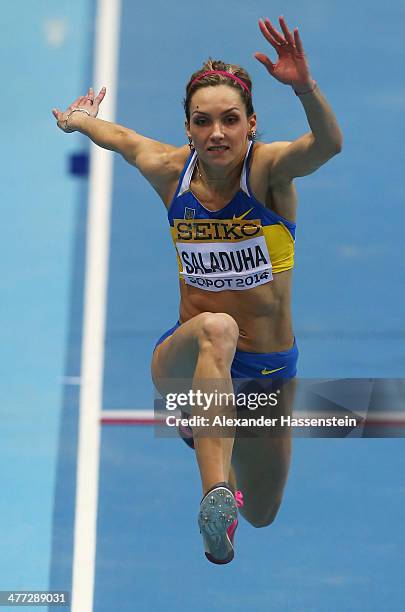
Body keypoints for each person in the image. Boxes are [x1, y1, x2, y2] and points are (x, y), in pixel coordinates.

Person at [52, 15, 342, 564]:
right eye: (203, 121)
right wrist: (80, 122)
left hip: (267, 370)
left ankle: (228, 488)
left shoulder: (270, 173)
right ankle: (212, 495)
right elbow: (122, 139)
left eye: (230, 120)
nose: (217, 133)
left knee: (262, 511)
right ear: (187, 129)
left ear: (251, 124)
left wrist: (305, 88)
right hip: (187, 359)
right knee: (217, 328)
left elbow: (328, 144)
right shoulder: (171, 172)